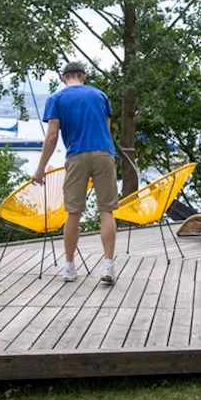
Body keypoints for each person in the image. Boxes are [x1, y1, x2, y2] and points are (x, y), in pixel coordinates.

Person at [33, 61, 119, 284]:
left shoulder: (57, 99)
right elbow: (107, 131)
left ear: (64, 78)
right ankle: (108, 266)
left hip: (76, 156)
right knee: (106, 211)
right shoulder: (100, 96)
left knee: (73, 213)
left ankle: (70, 267)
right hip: (104, 154)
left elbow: (52, 137)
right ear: (84, 76)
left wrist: (40, 169)